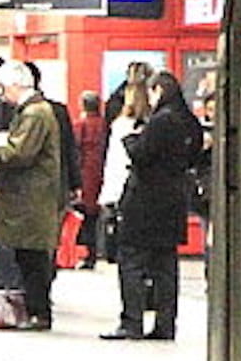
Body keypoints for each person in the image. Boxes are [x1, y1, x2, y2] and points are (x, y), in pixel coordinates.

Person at [102, 69, 206, 341]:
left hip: (146, 203)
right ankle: (165, 323)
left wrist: (130, 139)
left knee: (132, 261)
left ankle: (131, 321)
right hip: (173, 202)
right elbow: (194, 155)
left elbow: (142, 155)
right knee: (166, 266)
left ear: (158, 91)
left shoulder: (161, 121)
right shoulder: (189, 122)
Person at [0, 61, 63, 329]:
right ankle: (35, 310)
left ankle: (40, 312)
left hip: (31, 198)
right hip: (29, 197)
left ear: (17, 85)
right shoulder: (34, 111)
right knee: (29, 256)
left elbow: (20, 153)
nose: (4, 95)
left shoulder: (35, 114)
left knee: (33, 258)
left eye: (5, 88)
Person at [97, 61, 152, 264]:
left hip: (123, 186)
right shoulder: (157, 121)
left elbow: (114, 161)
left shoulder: (119, 122)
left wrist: (108, 192)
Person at [74, 89, 108, 267]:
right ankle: (96, 250)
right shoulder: (103, 124)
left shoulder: (81, 124)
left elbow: (76, 149)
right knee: (94, 214)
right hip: (100, 170)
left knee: (84, 214)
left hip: (85, 173)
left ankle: (87, 252)